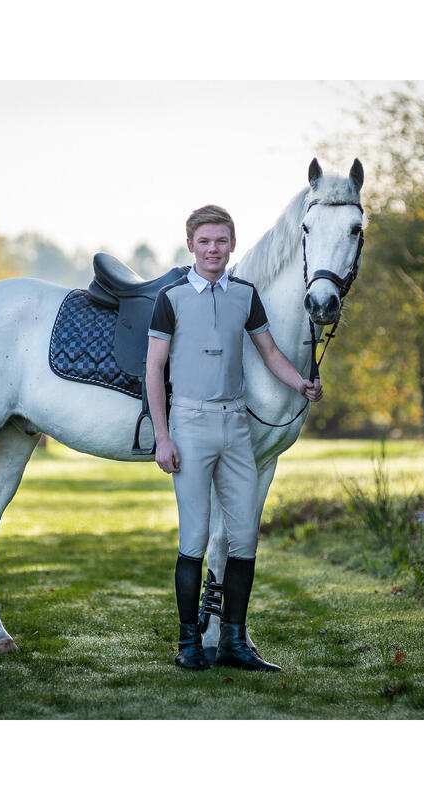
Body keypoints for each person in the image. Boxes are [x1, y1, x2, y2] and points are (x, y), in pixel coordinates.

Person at [145, 204, 323, 672]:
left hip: (235, 426)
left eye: (221, 241)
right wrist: (163, 438)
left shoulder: (246, 294)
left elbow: (269, 351)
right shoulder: (172, 297)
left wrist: (299, 384)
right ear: (190, 245)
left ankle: (234, 642)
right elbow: (153, 369)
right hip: (190, 424)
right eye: (204, 241)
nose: (213, 249)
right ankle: (188, 645)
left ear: (232, 244)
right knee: (195, 537)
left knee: (244, 538)